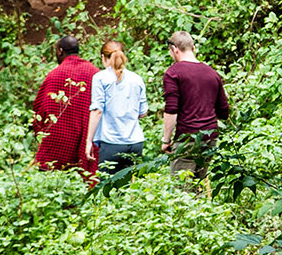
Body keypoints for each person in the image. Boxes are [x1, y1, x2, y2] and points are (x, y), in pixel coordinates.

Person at [160, 30, 229, 179]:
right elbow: (224, 111)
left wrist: (166, 140)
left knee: (181, 191)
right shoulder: (212, 73)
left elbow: (171, 110)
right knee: (199, 189)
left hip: (187, 139)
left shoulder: (173, 73)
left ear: (174, 49)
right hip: (210, 139)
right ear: (193, 48)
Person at [33, 35, 98, 179]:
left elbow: (40, 109)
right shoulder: (94, 72)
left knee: (51, 178)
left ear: (60, 51)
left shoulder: (54, 75)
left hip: (58, 142)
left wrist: (40, 131)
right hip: (88, 138)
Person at [84, 40, 147, 172]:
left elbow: (97, 111)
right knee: (131, 188)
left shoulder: (100, 78)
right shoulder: (137, 79)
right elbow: (143, 113)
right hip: (135, 142)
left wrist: (89, 140)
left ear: (103, 57)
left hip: (111, 143)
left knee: (107, 187)